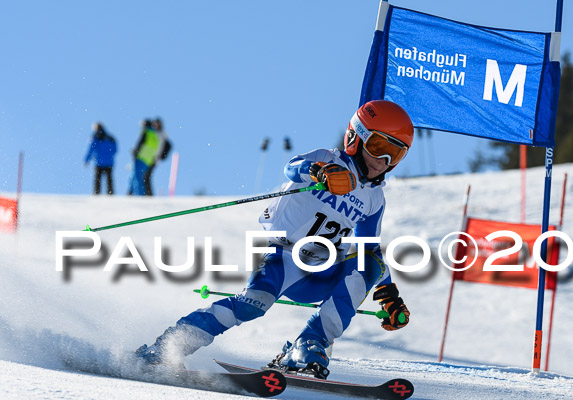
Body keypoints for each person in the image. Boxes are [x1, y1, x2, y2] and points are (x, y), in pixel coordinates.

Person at [136, 100, 414, 379]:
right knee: (251, 305)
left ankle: (308, 344)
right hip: (284, 257)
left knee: (371, 261)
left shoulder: (374, 199)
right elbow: (292, 168)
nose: (384, 161)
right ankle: (167, 348)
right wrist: (318, 172)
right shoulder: (328, 159)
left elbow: (369, 248)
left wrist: (388, 294)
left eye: (395, 154)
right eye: (380, 148)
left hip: (323, 272)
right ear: (356, 137)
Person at [129, 118, 171, 196]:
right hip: (149, 159)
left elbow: (140, 144)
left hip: (144, 158)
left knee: (139, 177)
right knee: (143, 177)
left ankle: (141, 195)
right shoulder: (155, 134)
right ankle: (139, 194)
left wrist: (135, 153)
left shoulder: (155, 133)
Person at [84, 122, 117, 195]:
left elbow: (91, 149)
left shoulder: (95, 138)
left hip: (99, 162)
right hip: (109, 162)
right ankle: (110, 193)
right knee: (109, 179)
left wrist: (86, 160)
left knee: (97, 179)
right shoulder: (110, 138)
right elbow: (115, 150)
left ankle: (97, 193)